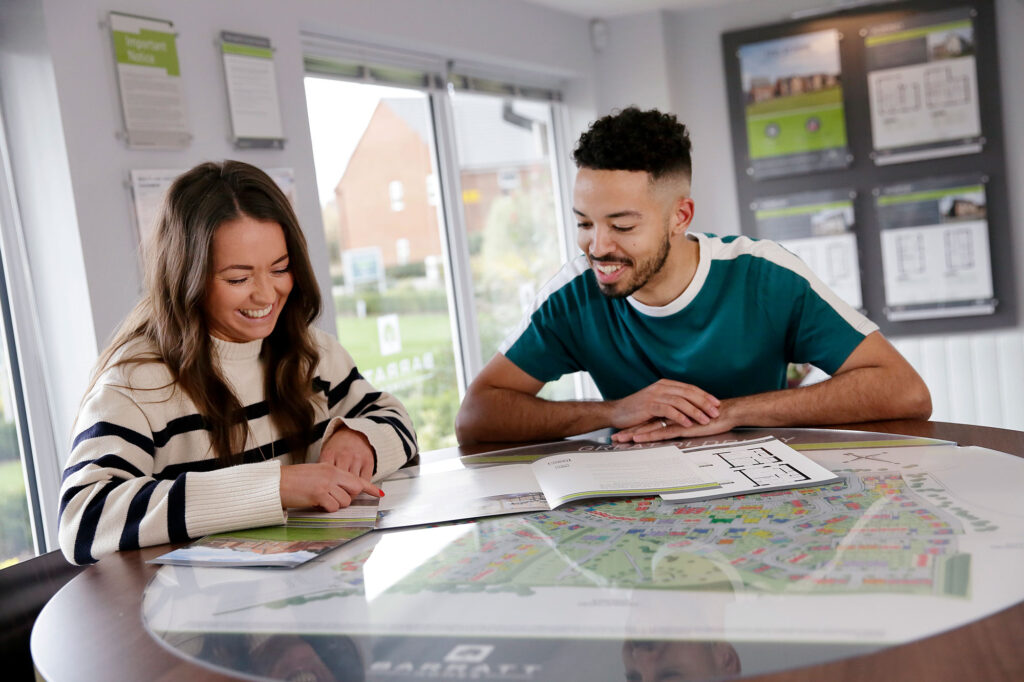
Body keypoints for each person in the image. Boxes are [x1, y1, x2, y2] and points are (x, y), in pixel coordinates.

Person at [455, 107, 930, 445]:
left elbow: (905, 390)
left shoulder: (763, 275)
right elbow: (476, 416)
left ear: (680, 216)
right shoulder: (573, 294)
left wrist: (730, 413)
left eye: (622, 226)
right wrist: (614, 411)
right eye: (584, 223)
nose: (598, 247)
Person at [59, 161, 417, 565]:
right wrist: (274, 488)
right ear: (186, 277)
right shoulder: (135, 383)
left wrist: (361, 437)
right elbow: (83, 520)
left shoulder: (312, 352)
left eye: (280, 269)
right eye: (237, 279)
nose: (266, 295)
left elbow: (396, 420)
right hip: (197, 619)